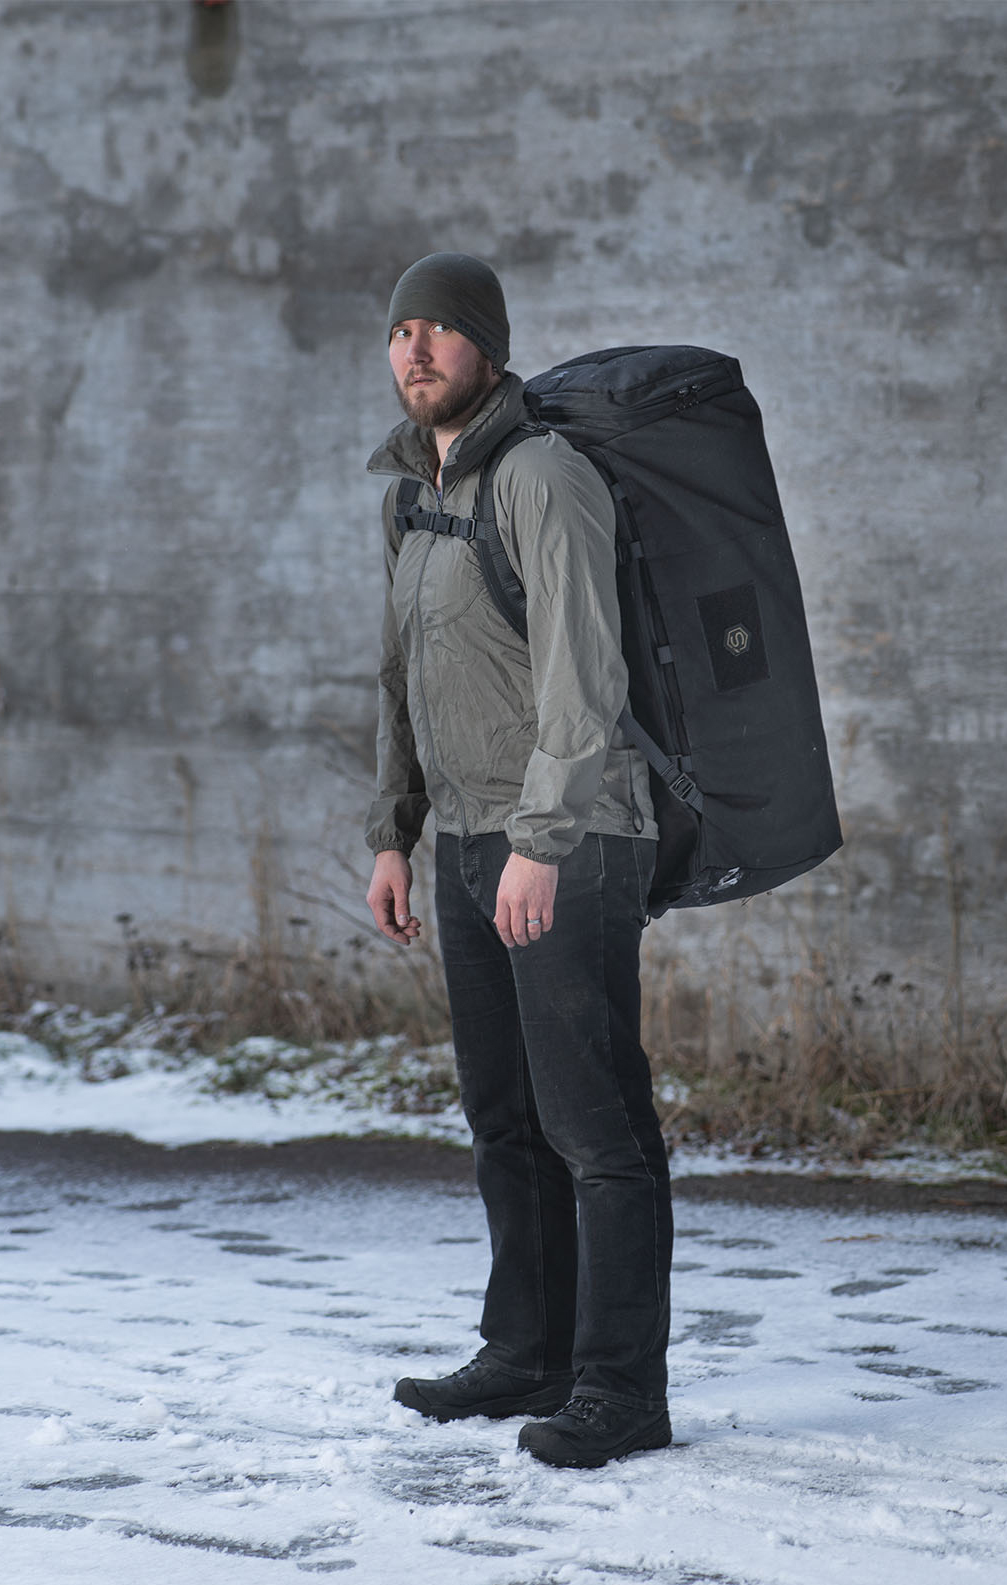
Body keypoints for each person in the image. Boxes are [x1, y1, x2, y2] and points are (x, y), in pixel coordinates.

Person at [362, 252, 673, 1469]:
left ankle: (621, 1390)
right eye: (401, 330)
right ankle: (527, 1352)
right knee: (503, 1117)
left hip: (569, 835)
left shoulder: (542, 476)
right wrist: (391, 831)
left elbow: (582, 675)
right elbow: (398, 675)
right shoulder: (408, 493)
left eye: (439, 329)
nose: (415, 349)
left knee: (593, 1124)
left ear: (486, 347)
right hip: (463, 837)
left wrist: (542, 840)